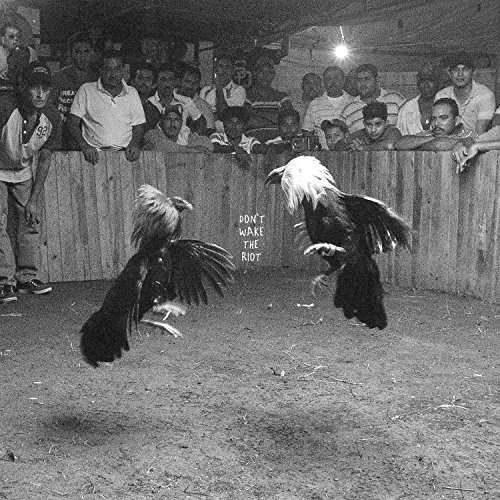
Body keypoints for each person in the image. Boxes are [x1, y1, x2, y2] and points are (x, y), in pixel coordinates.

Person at [0, 63, 61, 303]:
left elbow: (45, 159)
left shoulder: (52, 117)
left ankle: (26, 277)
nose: (39, 94)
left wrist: (34, 200)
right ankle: (4, 281)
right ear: (23, 87)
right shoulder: (5, 107)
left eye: (44, 89)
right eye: (34, 87)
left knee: (30, 218)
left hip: (22, 170)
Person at [67, 50, 146, 164]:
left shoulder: (132, 92)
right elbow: (72, 123)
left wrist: (134, 144)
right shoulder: (86, 90)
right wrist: (85, 146)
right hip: (93, 157)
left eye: (117, 69)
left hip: (125, 157)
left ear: (123, 70)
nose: (113, 74)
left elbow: (139, 126)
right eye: (108, 69)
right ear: (101, 70)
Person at [51, 33, 97, 149]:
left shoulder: (97, 79)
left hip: (90, 134)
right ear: (71, 54)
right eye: (77, 52)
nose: (82, 57)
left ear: (92, 52)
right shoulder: (59, 77)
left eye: (86, 52)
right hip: (62, 134)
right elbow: (50, 107)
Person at [434, 52, 495, 135]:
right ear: (449, 73)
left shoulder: (485, 95)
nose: (460, 74)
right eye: (455, 70)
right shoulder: (442, 95)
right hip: (447, 142)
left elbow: (480, 132)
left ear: (473, 72)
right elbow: (438, 129)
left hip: (475, 143)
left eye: (465, 69)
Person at [144, 63, 205, 143]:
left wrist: (192, 140)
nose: (167, 84)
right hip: (157, 149)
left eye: (170, 79)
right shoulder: (149, 103)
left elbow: (201, 123)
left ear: (175, 82)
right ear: (156, 82)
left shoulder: (185, 101)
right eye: (163, 80)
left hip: (182, 150)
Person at [340, 63, 405, 133]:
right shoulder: (348, 110)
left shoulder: (395, 99)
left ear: (377, 80)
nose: (362, 84)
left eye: (366, 79)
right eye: (359, 80)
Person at [303, 66, 354, 148]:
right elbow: (307, 131)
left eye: (336, 78)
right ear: (324, 82)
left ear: (344, 80)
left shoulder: (354, 102)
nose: (333, 82)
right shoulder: (314, 104)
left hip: (350, 154)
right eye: (328, 79)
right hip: (323, 155)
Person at [395, 98, 474, 151]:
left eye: (443, 118)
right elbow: (399, 144)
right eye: (433, 118)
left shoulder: (469, 135)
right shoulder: (430, 134)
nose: (436, 123)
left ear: (457, 120)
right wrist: (433, 138)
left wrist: (417, 145)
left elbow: (438, 145)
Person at [245, 61, 292, 142]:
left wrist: (257, 113)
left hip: (278, 141)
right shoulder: (248, 96)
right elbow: (248, 121)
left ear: (273, 75)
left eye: (269, 73)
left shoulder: (282, 97)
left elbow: (288, 120)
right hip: (253, 141)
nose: (265, 76)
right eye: (261, 72)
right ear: (255, 74)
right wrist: (274, 119)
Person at [200, 54, 246, 131]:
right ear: (216, 69)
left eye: (227, 67)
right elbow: (200, 116)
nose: (224, 70)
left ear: (232, 70)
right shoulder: (205, 90)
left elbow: (225, 116)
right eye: (221, 66)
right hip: (206, 131)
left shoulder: (239, 90)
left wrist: (219, 89)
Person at [143, 105, 213, 153]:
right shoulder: (152, 134)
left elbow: (208, 144)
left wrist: (191, 149)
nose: (172, 124)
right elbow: (161, 145)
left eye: (176, 119)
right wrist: (190, 150)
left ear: (181, 122)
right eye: (168, 119)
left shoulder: (184, 134)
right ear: (161, 122)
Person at [397, 67, 440, 135]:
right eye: (423, 80)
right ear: (418, 83)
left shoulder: (447, 106)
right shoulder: (407, 108)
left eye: (431, 80)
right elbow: (400, 139)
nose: (426, 85)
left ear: (438, 82)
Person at [174, 64, 214, 135]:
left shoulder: (205, 107)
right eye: (187, 81)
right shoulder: (169, 98)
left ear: (199, 85)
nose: (190, 86)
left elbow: (208, 133)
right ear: (180, 81)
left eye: (195, 83)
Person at [0, 22, 34, 90]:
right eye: (11, 37)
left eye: (18, 37)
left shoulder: (28, 52)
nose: (16, 39)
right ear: (2, 39)